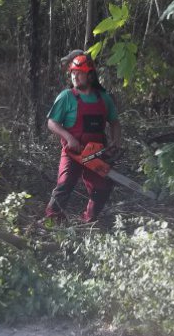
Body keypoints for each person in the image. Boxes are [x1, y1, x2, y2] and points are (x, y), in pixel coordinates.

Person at [44, 51, 122, 223]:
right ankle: (53, 221)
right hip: (74, 152)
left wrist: (116, 142)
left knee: (103, 187)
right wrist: (69, 138)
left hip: (96, 153)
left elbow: (115, 122)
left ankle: (89, 220)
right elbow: (52, 123)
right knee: (64, 185)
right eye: (73, 73)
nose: (75, 77)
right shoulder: (66, 97)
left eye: (79, 74)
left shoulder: (104, 99)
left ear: (90, 75)